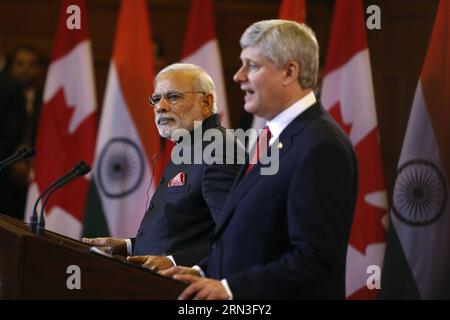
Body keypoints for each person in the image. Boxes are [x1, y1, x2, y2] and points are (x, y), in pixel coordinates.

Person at [161, 20, 358, 299]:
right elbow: (254, 239)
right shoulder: (270, 137)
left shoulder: (322, 146)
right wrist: (204, 271)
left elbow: (313, 259)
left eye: (252, 66)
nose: (238, 76)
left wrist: (230, 289)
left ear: (290, 71)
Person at [83, 63, 242, 270]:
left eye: (173, 97)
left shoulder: (218, 150)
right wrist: (129, 246)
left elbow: (236, 235)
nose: (160, 106)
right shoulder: (190, 146)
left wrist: (173, 262)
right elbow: (186, 228)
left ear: (206, 102)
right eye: (156, 99)